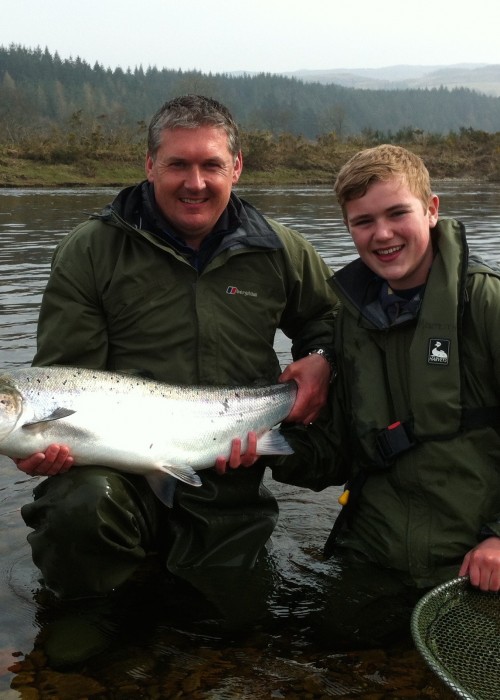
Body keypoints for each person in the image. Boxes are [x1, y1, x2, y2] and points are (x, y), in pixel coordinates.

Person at [13, 95, 337, 662]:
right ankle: (86, 609)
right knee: (76, 511)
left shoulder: (280, 249)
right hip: (113, 478)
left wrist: (321, 357)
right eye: (177, 165)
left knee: (234, 637)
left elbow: (332, 321)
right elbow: (62, 373)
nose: (195, 182)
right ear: (149, 165)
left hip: (229, 473)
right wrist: (41, 450)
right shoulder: (91, 250)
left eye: (211, 165)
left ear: (236, 168)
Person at [269, 143, 500, 647]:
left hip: (474, 560)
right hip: (377, 554)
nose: (383, 234)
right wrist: (268, 446)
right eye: (363, 222)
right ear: (348, 228)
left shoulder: (487, 303)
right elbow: (336, 453)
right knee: (312, 655)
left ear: (432, 209)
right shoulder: (349, 320)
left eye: (398, 213)